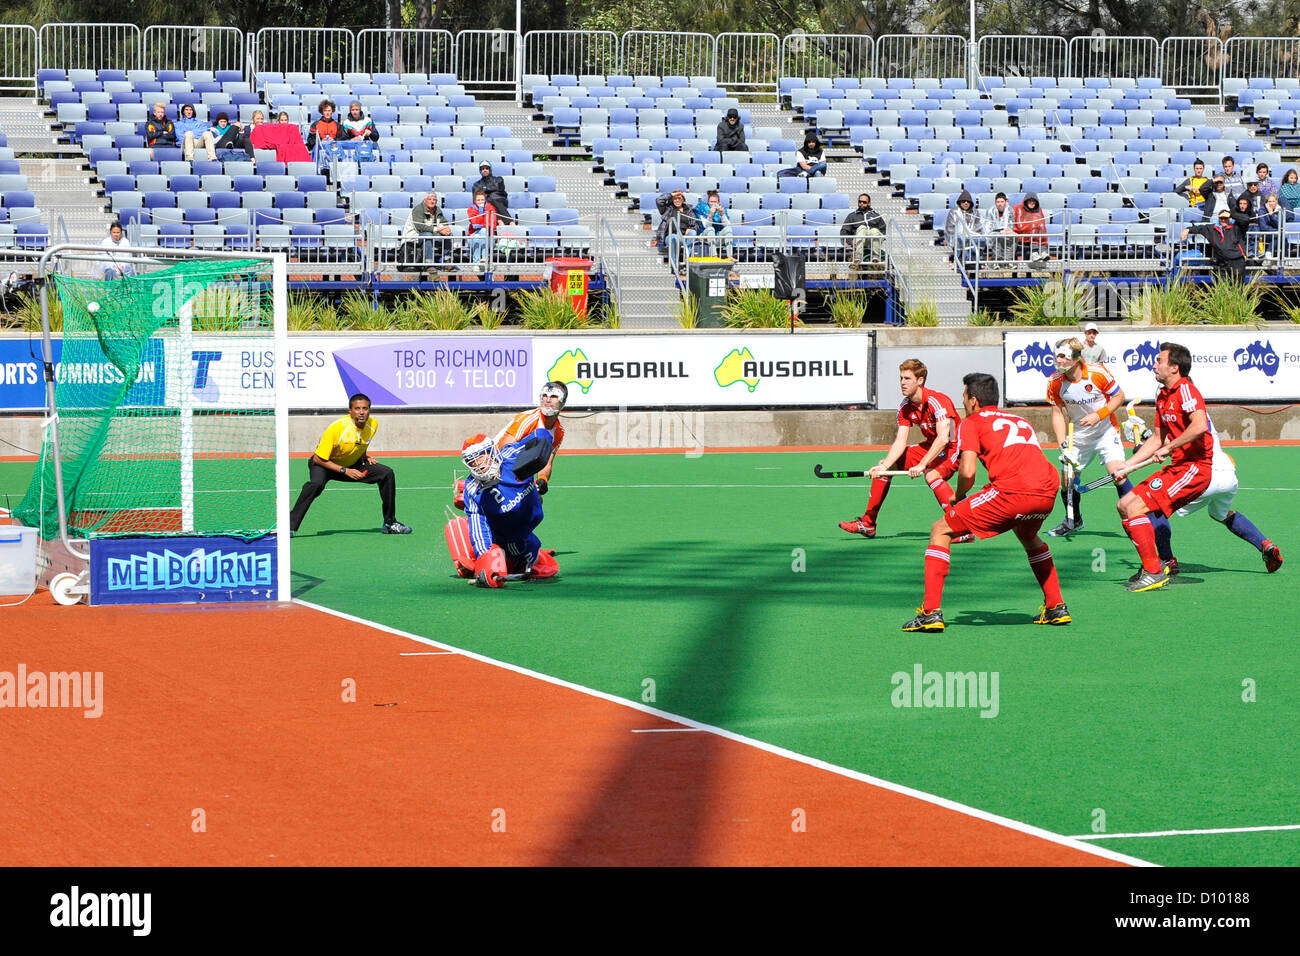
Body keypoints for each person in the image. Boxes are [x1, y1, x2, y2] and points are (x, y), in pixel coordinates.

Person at [903, 372, 1069, 632]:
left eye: (964, 398)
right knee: (1029, 536)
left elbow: (968, 472)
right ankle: (1056, 606)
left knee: (940, 529)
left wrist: (958, 496)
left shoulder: (972, 422)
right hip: (1047, 491)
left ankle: (930, 613)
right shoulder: (1019, 419)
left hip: (1012, 493)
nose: (963, 403)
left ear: (973, 401)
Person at [1113, 343, 1216, 592]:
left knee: (1135, 506)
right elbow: (1157, 439)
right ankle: (1152, 564)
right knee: (1125, 505)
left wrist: (1171, 447)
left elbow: (1200, 425)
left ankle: (1154, 570)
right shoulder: (1162, 395)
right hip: (1178, 468)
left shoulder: (1187, 391)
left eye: (1159, 361)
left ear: (1174, 367)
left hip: (1195, 469)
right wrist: (1127, 465)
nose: (1154, 365)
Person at [839, 359, 962, 539]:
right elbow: (900, 440)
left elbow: (944, 437)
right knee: (885, 468)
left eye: (907, 378)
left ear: (920, 381)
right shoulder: (905, 406)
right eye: (901, 378)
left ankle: (961, 528)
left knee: (931, 474)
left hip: (954, 447)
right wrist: (885, 465)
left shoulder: (938, 401)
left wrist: (922, 464)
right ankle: (868, 523)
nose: (902, 383)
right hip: (932, 446)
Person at [445, 431, 560, 588]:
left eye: (481, 456)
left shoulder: (511, 455)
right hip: (505, 535)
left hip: (528, 518)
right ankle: (474, 553)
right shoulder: (472, 489)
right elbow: (479, 527)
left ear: (492, 452)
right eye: (472, 462)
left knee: (530, 555)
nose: (478, 464)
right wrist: (485, 558)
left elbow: (542, 434)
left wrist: (537, 452)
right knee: (516, 555)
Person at [288, 393, 412, 535]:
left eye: (365, 408)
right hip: (323, 465)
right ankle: (289, 525)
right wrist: (344, 471)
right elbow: (317, 458)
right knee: (316, 485)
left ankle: (390, 523)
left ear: (369, 410)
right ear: (350, 411)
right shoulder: (337, 428)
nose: (361, 412)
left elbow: (360, 442)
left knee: (386, 473)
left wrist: (364, 456)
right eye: (357, 408)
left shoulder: (373, 424)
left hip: (352, 464)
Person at [1045, 337, 1132, 537]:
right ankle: (1073, 520)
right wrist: (1062, 444)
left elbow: (1119, 396)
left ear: (1076, 359)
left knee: (1118, 474)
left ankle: (1133, 517)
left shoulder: (1097, 373)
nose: (1057, 360)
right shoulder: (1054, 382)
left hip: (1106, 432)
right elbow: (1058, 413)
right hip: (1078, 437)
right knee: (1067, 481)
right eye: (1055, 356)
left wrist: (1098, 415)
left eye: (1062, 357)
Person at [1181, 207, 1247, 280]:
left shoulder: (1237, 228)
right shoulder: (1212, 229)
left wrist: (1232, 214)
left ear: (1230, 218)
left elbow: (1245, 219)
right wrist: (1187, 230)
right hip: (1222, 263)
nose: (1223, 220)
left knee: (1238, 286)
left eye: (1226, 218)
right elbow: (1199, 228)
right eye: (1221, 218)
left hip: (1237, 262)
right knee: (1223, 286)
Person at [653, 189, 698, 273]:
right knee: (673, 237)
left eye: (679, 198)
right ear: (672, 199)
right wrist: (671, 194)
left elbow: (695, 223)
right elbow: (659, 201)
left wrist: (691, 228)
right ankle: (674, 266)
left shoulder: (688, 209)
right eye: (675, 198)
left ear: (683, 199)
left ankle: (688, 261)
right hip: (671, 236)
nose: (677, 200)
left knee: (693, 233)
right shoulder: (668, 208)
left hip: (684, 237)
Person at [403, 191, 452, 265]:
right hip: (415, 236)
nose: (432, 201)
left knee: (449, 234)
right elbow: (420, 228)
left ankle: (447, 261)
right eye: (430, 199)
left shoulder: (437, 210)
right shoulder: (418, 210)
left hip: (432, 234)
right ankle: (428, 263)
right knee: (428, 235)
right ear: (425, 200)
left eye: (434, 200)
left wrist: (446, 229)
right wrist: (439, 229)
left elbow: (444, 222)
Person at [839, 193, 886, 267]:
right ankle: (858, 256)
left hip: (873, 240)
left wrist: (881, 238)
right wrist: (850, 241)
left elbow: (884, 229)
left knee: (874, 230)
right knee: (861, 228)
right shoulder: (852, 216)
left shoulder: (876, 215)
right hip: (859, 241)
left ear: (869, 203)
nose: (861, 203)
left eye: (864, 202)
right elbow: (844, 231)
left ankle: (876, 256)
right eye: (860, 201)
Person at [693, 188, 732, 258]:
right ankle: (714, 255)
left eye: (715, 202)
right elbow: (706, 226)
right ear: (708, 202)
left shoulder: (723, 209)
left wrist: (722, 214)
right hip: (704, 236)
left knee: (728, 229)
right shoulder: (702, 208)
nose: (713, 204)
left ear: (718, 202)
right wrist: (710, 215)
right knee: (710, 229)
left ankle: (730, 256)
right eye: (711, 202)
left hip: (716, 237)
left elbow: (727, 225)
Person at [944, 189, 982, 258]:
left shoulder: (975, 213)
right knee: (961, 240)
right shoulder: (954, 212)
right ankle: (962, 262)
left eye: (968, 201)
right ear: (960, 202)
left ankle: (976, 261)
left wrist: (969, 235)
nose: (966, 203)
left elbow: (978, 227)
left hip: (971, 238)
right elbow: (950, 229)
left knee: (981, 240)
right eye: (963, 201)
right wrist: (961, 235)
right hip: (958, 238)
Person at [1013, 192, 1048, 262]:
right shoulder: (1018, 209)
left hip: (1035, 236)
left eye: (1034, 201)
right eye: (1030, 201)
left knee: (1041, 226)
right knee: (1034, 226)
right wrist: (1031, 226)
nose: (1032, 203)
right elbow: (1019, 226)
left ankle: (1043, 251)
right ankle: (1034, 252)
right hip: (1022, 236)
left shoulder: (1038, 210)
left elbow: (1042, 222)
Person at [466, 187, 497, 264]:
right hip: (474, 235)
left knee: (482, 232)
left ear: (485, 200)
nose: (480, 202)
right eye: (478, 200)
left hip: (489, 237)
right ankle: (484, 257)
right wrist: (481, 213)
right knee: (478, 235)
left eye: (482, 200)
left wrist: (482, 226)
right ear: (474, 201)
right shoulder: (471, 209)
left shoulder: (491, 208)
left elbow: (492, 225)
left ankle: (476, 263)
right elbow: (475, 224)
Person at [982, 191, 1015, 262]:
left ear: (1006, 202)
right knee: (998, 237)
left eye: (1002, 202)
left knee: (1014, 236)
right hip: (993, 233)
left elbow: (1011, 225)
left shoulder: (1010, 211)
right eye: (998, 202)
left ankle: (1008, 260)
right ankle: (996, 260)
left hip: (1006, 232)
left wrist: (1006, 231)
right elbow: (988, 226)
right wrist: (1000, 232)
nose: (1000, 204)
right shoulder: (991, 211)